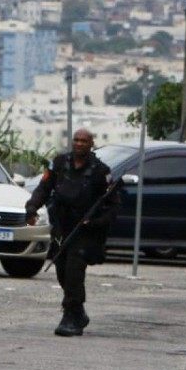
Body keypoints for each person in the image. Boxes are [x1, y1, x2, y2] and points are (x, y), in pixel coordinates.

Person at [26, 129, 118, 337]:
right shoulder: (59, 164)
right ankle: (78, 312)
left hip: (84, 231)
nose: (79, 144)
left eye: (84, 141)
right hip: (62, 226)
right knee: (62, 272)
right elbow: (43, 188)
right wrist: (31, 208)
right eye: (76, 140)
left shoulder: (100, 171)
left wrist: (95, 222)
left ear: (91, 144)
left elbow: (113, 205)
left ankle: (70, 315)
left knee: (74, 272)